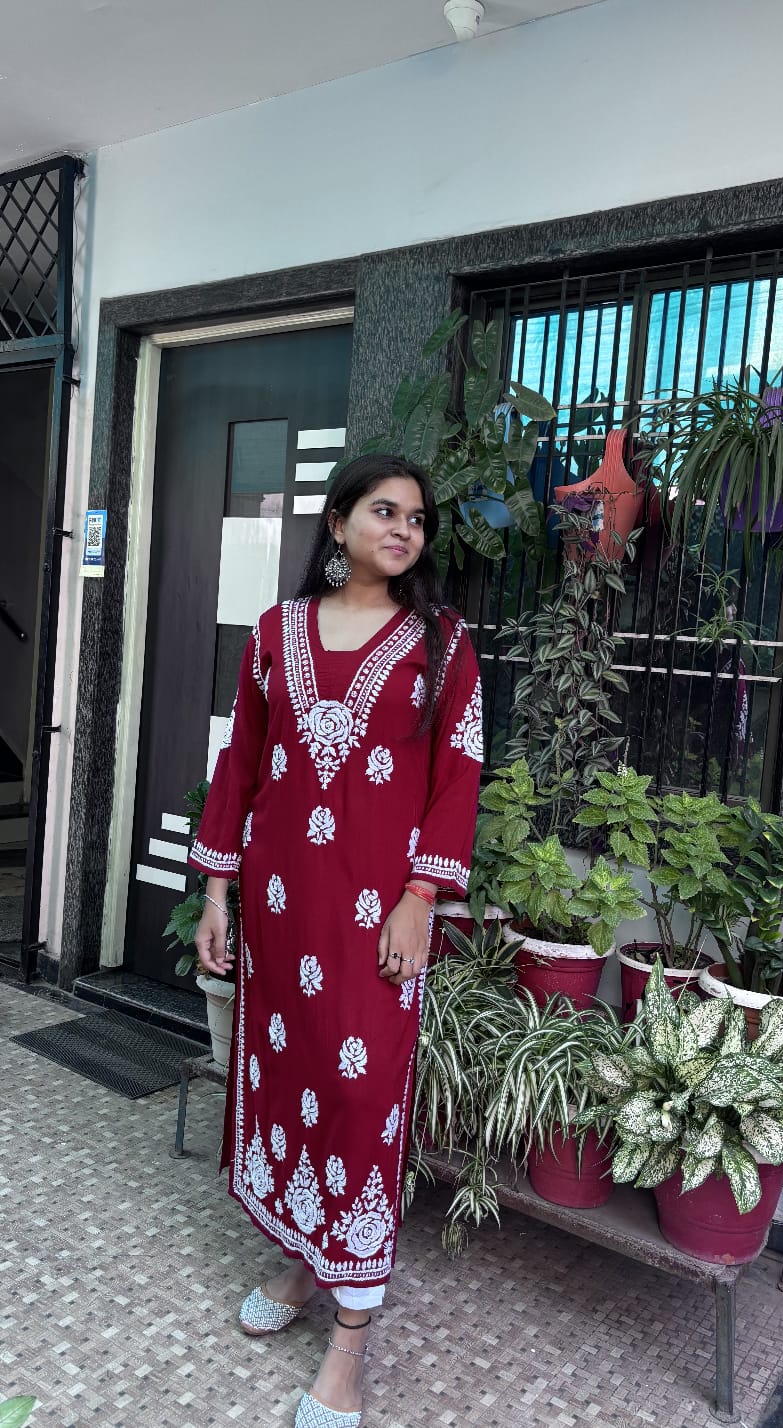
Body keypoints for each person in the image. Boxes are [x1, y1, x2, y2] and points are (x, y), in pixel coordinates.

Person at [190, 453, 483, 1428]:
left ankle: (350, 1346)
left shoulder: (441, 643)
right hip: (281, 908)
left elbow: (457, 775)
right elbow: (241, 760)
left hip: (374, 917)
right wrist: (218, 892)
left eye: (417, 519)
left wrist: (420, 896)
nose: (403, 530)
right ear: (337, 520)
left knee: (359, 1095)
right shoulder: (276, 634)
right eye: (384, 511)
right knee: (291, 1077)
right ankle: (300, 1260)